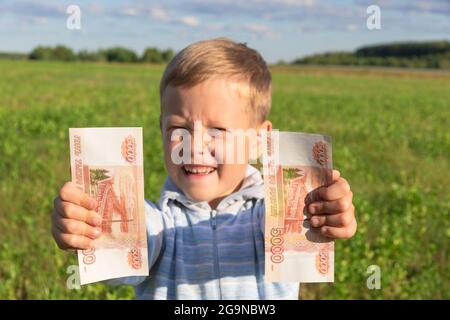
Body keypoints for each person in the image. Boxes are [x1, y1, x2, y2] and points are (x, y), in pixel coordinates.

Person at [51, 38, 356, 299]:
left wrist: (327, 212)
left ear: (258, 140)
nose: (194, 146)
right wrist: (88, 227)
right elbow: (120, 264)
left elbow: (302, 231)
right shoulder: (156, 224)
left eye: (218, 130)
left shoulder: (272, 216)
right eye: (178, 128)